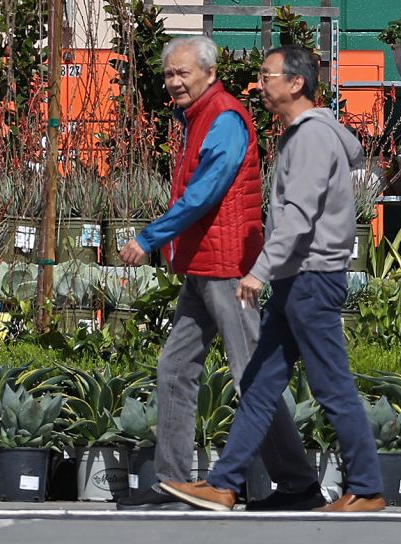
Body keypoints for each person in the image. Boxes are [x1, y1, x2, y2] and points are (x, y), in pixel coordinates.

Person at [161, 45, 386, 513]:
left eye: (267, 76)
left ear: (296, 83)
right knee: (261, 385)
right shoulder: (302, 135)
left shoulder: (310, 139)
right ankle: (224, 485)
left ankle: (366, 487)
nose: (259, 84)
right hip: (296, 279)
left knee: (332, 386)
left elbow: (298, 217)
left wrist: (258, 271)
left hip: (311, 278)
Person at [116, 36, 322, 511]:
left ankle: (298, 483)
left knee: (252, 375)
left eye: (182, 73)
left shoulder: (225, 116)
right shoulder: (199, 115)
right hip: (203, 265)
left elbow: (207, 191)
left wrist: (149, 238)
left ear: (210, 73)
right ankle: (171, 480)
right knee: (175, 367)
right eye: (169, 74)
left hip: (228, 269)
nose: (173, 82)